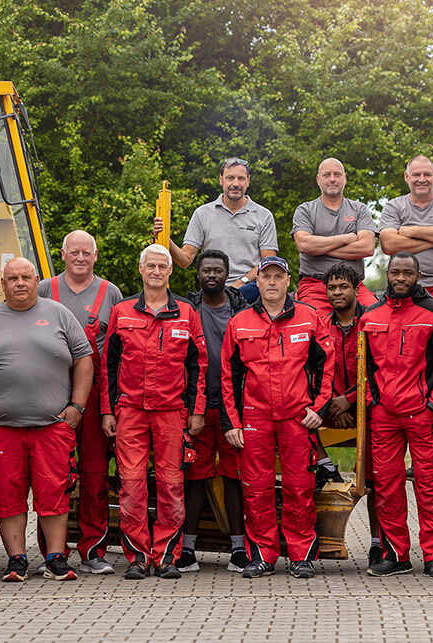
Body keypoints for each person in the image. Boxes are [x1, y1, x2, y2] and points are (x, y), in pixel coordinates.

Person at [0, 258, 93, 583]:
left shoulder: (58, 314)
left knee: (54, 492)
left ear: (37, 280)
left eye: (26, 277)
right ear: (2, 283)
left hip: (53, 425)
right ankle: (16, 560)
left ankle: (55, 557)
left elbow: (84, 358)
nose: (19, 283)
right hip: (0, 427)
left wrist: (77, 407)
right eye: (12, 278)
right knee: (5, 495)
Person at [98, 244, 208, 580]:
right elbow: (108, 366)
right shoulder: (122, 311)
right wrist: (107, 410)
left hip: (172, 412)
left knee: (172, 483)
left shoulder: (187, 313)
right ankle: (137, 558)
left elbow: (198, 366)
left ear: (171, 271)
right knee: (131, 484)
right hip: (130, 410)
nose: (157, 272)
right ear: (141, 269)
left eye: (163, 266)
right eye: (151, 266)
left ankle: (167, 557)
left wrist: (197, 410)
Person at [221, 256, 334, 579]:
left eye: (278, 276)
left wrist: (320, 408)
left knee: (300, 486)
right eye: (266, 276)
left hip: (297, 417)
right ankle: (263, 556)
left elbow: (327, 366)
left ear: (288, 282)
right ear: (257, 282)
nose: (271, 282)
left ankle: (301, 556)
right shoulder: (240, 323)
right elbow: (227, 376)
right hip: (255, 417)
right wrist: (232, 422)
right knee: (257, 489)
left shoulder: (310, 318)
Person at [360, 252, 433, 580]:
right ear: (387, 274)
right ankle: (396, 555)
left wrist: (432, 404)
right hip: (384, 416)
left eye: (407, 273)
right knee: (387, 487)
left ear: (418, 276)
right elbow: (366, 368)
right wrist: (375, 401)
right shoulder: (370, 316)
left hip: (422, 415)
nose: (400, 278)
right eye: (395, 272)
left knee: (429, 488)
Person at [38, 229, 124, 574]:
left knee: (94, 473)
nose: (80, 258)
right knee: (52, 473)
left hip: (95, 392)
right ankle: (52, 551)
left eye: (86, 253)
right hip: (53, 389)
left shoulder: (110, 293)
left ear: (95, 256)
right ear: (63, 255)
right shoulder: (46, 289)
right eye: (74, 252)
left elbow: (116, 348)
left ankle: (94, 549)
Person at [178, 249, 249, 574]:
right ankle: (187, 550)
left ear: (226, 273)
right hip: (197, 409)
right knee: (195, 478)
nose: (211, 276)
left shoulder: (243, 310)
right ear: (198, 274)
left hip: (234, 409)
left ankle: (238, 549)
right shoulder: (187, 309)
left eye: (217, 271)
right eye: (205, 270)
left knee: (233, 478)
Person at [319, 264, 383, 565]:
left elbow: (377, 369)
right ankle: (324, 467)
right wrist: (334, 401)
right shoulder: (321, 324)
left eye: (343, 287)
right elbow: (317, 368)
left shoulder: (370, 322)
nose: (337, 293)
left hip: (366, 409)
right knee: (296, 425)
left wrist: (351, 400)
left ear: (356, 289)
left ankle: (376, 543)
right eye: (332, 288)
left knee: (373, 480)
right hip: (331, 408)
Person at [154, 157, 279, 302]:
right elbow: (185, 260)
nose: (235, 184)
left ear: (248, 181)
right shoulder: (202, 214)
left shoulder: (263, 215)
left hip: (250, 292)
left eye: (241, 178)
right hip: (211, 290)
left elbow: (268, 262)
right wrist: (165, 238)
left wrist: (241, 282)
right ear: (221, 180)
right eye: (230, 178)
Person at [378, 156, 433, 307]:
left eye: (427, 174)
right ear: (406, 177)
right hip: (405, 286)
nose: (422, 179)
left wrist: (412, 231)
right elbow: (389, 244)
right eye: (416, 175)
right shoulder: (393, 206)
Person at [291, 158, 379, 313]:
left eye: (337, 174)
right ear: (318, 179)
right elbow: (304, 245)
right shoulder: (305, 210)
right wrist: (346, 238)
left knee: (375, 315)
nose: (332, 179)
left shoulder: (360, 209)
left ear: (344, 178)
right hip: (315, 285)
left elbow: (367, 247)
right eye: (327, 175)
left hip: (354, 286)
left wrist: (319, 249)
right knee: (311, 319)